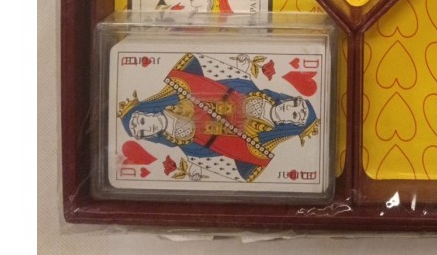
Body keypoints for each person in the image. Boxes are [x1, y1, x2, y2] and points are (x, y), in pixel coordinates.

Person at [118, 52, 319, 182]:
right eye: (141, 132)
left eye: (141, 121)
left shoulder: (184, 81)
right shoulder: (191, 147)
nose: (147, 127)